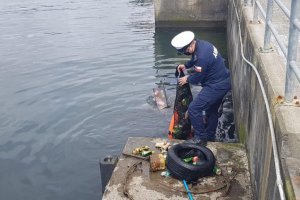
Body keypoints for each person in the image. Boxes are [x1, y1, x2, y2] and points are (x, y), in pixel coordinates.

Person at [171, 31, 231, 146]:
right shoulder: (202, 44)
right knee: (211, 110)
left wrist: (187, 79)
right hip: (224, 80)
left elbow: (198, 77)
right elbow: (195, 58)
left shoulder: (202, 56)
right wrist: (186, 65)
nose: (186, 53)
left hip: (216, 86)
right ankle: (210, 136)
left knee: (194, 109)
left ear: (189, 46)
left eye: (185, 51)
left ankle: (200, 138)